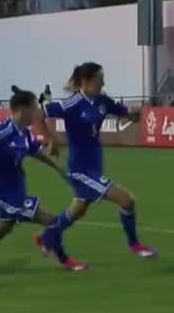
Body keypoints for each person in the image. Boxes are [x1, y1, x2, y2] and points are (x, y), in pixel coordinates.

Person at [37, 62, 156, 260]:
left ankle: (47, 236)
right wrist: (50, 140)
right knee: (126, 199)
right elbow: (38, 115)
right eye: (100, 79)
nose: (103, 83)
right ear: (86, 81)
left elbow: (124, 112)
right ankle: (135, 245)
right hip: (79, 170)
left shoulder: (102, 101)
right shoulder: (72, 104)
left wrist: (134, 114)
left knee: (78, 210)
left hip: (94, 166)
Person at [0, 90, 87, 272]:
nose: (37, 113)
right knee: (52, 220)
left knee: (5, 226)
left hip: (17, 192)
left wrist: (58, 168)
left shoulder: (25, 133)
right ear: (22, 110)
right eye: (35, 108)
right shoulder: (1, 132)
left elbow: (36, 152)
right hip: (4, 196)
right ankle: (63, 259)